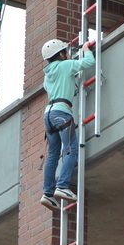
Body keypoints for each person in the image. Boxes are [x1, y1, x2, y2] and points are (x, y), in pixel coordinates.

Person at [39, 38, 96, 210]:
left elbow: (63, 86)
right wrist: (86, 48)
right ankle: (62, 186)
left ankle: (47, 194)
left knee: (53, 155)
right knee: (71, 149)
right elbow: (89, 62)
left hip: (48, 115)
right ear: (61, 54)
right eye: (66, 51)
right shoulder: (65, 65)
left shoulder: (47, 75)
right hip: (62, 112)